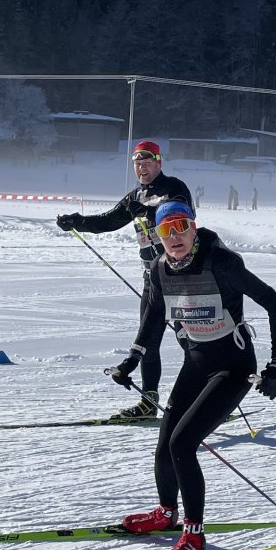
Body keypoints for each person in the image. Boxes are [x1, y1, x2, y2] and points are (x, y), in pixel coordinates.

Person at [108, 201, 276, 550]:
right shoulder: (159, 269)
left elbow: (274, 302)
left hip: (233, 368)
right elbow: (155, 315)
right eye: (165, 230)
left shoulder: (222, 262)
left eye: (180, 227)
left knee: (183, 443)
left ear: (193, 227)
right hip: (196, 364)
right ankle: (166, 513)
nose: (174, 237)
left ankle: (194, 538)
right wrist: (133, 358)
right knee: (165, 444)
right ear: (157, 237)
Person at [56, 140, 193, 419]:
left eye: (147, 162)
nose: (142, 168)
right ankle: (149, 402)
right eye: (137, 164)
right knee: (148, 339)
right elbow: (108, 220)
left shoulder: (174, 188)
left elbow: (179, 212)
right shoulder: (134, 198)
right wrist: (77, 221)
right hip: (152, 277)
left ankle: (207, 396)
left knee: (189, 338)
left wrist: (154, 211)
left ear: (158, 163)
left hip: (180, 274)